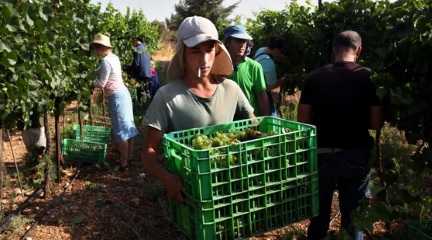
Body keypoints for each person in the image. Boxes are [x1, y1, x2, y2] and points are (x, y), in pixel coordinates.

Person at [141, 16, 254, 202]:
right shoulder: (167, 96)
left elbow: (254, 129)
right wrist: (168, 179)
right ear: (183, 54)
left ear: (217, 51)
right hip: (193, 194)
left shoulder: (231, 89)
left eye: (209, 49)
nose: (204, 59)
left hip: (231, 189)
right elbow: (148, 151)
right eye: (195, 51)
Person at [297, 30, 382, 239]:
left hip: (321, 154)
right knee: (354, 218)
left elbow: (303, 121)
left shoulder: (314, 78)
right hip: (356, 155)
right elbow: (374, 123)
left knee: (319, 217)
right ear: (359, 50)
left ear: (333, 50)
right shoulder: (369, 77)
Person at [91, 33, 139, 170]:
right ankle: (129, 157)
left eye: (96, 48)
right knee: (128, 126)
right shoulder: (114, 58)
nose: (95, 51)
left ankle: (124, 164)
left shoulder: (105, 61)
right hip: (124, 93)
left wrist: (90, 80)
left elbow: (101, 83)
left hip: (117, 97)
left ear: (101, 48)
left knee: (121, 131)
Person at [223, 25, 270, 116]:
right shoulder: (217, 65)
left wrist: (265, 120)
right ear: (228, 42)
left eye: (244, 41)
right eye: (238, 41)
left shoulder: (254, 67)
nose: (242, 45)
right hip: (226, 121)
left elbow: (261, 95)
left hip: (250, 121)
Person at [254, 37, 286, 116]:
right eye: (281, 53)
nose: (281, 56)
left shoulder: (261, 50)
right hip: (263, 96)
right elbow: (269, 87)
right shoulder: (268, 63)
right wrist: (282, 81)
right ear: (276, 50)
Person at [126, 37, 152, 103]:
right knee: (147, 89)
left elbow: (136, 64)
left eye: (133, 41)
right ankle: (148, 104)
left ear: (137, 40)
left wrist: (129, 71)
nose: (132, 43)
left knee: (141, 90)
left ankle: (141, 106)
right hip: (148, 73)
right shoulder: (146, 48)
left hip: (141, 74)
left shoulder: (137, 50)